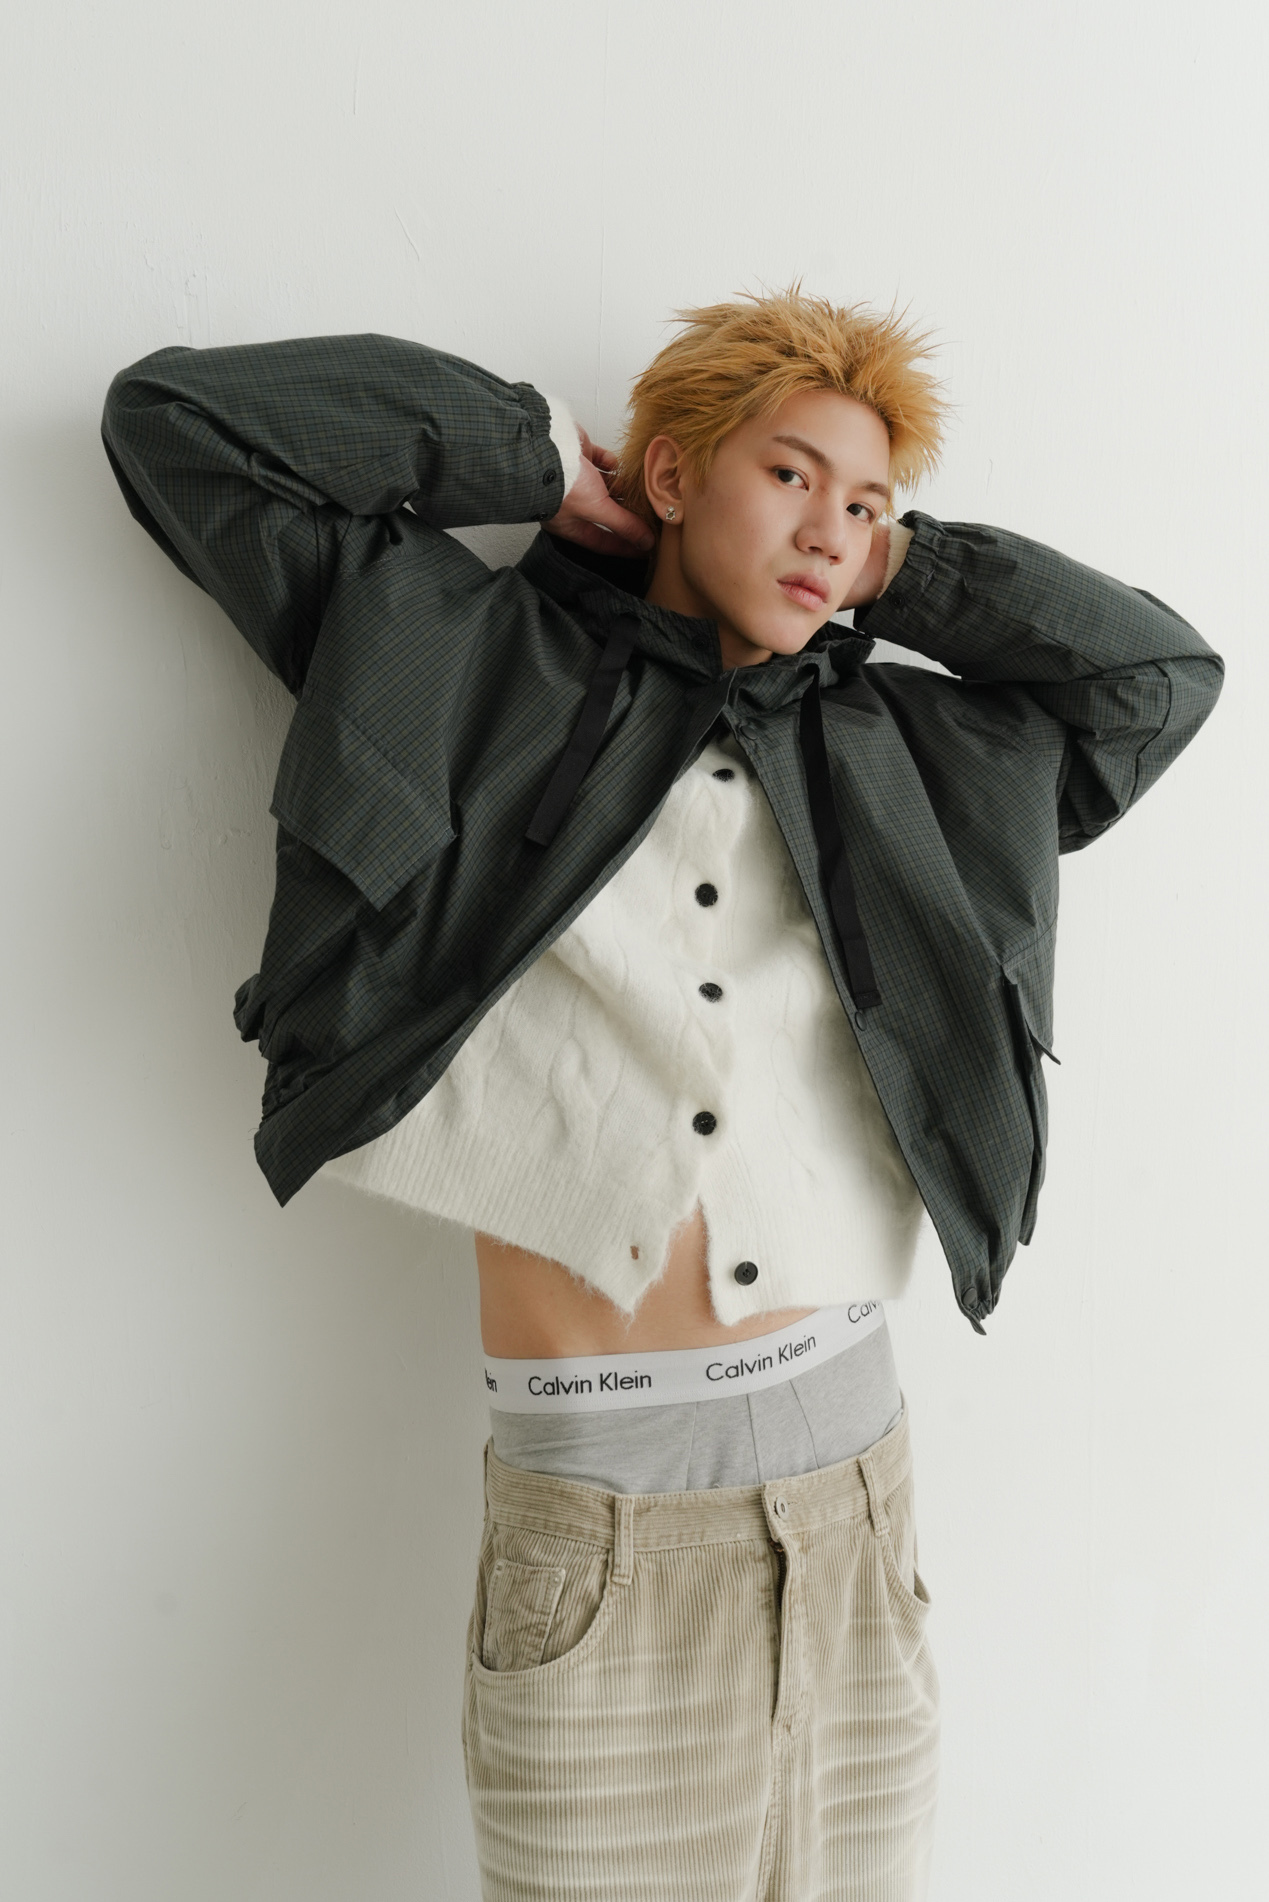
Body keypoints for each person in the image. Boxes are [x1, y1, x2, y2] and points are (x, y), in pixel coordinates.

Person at [101, 290, 1222, 1901]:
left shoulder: (904, 751)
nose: (829, 527)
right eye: (790, 475)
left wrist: (900, 568)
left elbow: (1153, 679)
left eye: (865, 503)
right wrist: (535, 461)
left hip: (855, 1499)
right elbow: (180, 426)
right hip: (598, 1519)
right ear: (679, 474)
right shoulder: (456, 659)